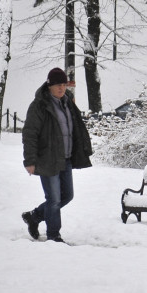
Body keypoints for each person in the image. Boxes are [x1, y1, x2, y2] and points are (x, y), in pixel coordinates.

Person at [21, 67, 93, 243]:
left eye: (64, 85)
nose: (61, 88)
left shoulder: (67, 101)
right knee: (53, 199)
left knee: (67, 195)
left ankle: (35, 216)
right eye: (58, 85)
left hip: (66, 158)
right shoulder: (40, 105)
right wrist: (30, 161)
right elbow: (30, 133)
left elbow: (75, 127)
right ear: (49, 85)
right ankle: (54, 235)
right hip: (47, 158)